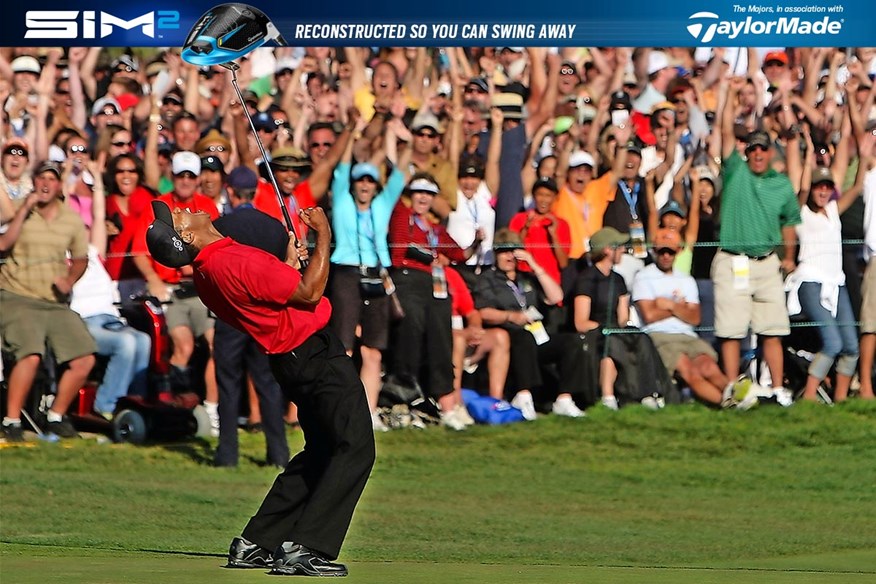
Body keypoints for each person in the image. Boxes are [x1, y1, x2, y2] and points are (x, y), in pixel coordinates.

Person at [146, 201, 374, 577]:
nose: (184, 208)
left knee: (322, 451)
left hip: (292, 359)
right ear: (185, 235)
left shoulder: (210, 269)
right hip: (316, 356)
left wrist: (285, 264)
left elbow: (275, 294)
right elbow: (310, 293)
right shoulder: (231, 262)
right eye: (178, 216)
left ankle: (258, 541)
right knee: (356, 447)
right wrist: (324, 236)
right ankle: (306, 547)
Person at [714, 76, 802, 406]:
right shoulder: (736, 171)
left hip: (767, 261)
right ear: (747, 152)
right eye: (753, 149)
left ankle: (777, 388)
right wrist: (730, 93)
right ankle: (732, 391)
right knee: (732, 330)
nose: (758, 154)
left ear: (770, 152)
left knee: (774, 329)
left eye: (763, 148)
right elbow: (724, 131)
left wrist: (789, 257)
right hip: (734, 258)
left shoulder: (781, 184)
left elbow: (790, 224)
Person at [1, 161, 96, 441]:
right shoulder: (19, 208)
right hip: (16, 296)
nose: (45, 184)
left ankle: (55, 415)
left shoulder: (70, 219)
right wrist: (24, 210)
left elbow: (80, 259)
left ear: (58, 185)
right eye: (40, 178)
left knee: (84, 357)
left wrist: (69, 280)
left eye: (50, 179)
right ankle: (12, 420)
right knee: (30, 354)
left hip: (53, 301)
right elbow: (4, 244)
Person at [211, 166, 291, 468]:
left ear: (230, 191)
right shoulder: (274, 228)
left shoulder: (220, 227)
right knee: (268, 384)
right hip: (264, 316)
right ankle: (279, 454)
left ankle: (227, 455)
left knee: (228, 384)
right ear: (254, 193)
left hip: (231, 314)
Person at [474, 228, 588, 419]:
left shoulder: (526, 278)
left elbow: (556, 296)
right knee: (523, 337)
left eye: (513, 251)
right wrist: (511, 316)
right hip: (509, 335)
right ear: (496, 254)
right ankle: (523, 395)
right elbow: (483, 312)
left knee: (572, 341)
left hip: (536, 335)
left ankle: (564, 398)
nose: (509, 256)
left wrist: (534, 265)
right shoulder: (487, 279)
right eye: (503, 251)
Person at [786, 167, 864, 402]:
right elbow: (802, 190)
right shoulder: (802, 214)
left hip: (836, 284)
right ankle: (809, 396)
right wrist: (808, 153)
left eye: (827, 187)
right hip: (811, 282)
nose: (823, 191)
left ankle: (840, 399)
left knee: (851, 346)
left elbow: (857, 186)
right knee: (832, 342)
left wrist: (865, 155)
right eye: (819, 186)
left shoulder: (832, 210)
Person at [632, 229, 729, 406]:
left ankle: (739, 398)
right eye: (662, 251)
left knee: (709, 367)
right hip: (660, 336)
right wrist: (681, 308)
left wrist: (669, 305)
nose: (666, 256)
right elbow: (649, 315)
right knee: (689, 371)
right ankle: (728, 405)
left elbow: (695, 318)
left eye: (671, 251)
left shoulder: (686, 280)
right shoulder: (644, 277)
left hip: (688, 336)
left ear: (678, 251)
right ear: (654, 251)